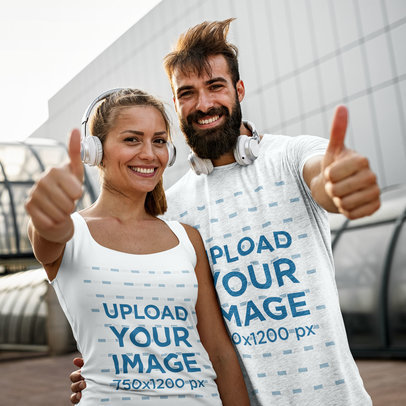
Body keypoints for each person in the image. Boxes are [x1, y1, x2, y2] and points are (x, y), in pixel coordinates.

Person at [70, 19, 380, 405]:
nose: (203, 104)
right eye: (187, 93)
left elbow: (323, 174)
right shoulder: (171, 210)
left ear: (239, 89)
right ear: (176, 103)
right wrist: (107, 371)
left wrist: (338, 182)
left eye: (215, 86)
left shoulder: (292, 155)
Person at [25, 88, 250, 405]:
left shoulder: (187, 238)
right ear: (95, 150)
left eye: (158, 141)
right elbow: (46, 232)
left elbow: (219, 352)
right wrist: (47, 210)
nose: (149, 153)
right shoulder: (71, 233)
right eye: (132, 139)